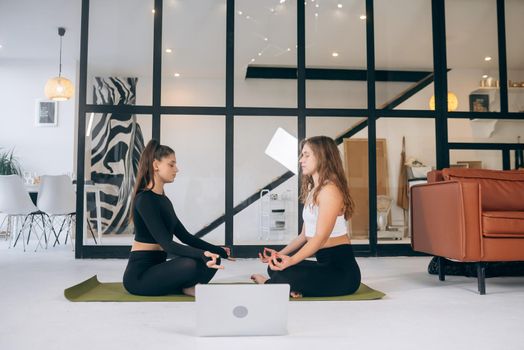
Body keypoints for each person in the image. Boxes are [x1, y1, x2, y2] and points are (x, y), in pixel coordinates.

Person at [251, 136, 361, 298]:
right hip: (324, 265)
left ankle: (270, 285)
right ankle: (294, 287)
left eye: (306, 155)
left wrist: (292, 260)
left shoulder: (330, 191)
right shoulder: (314, 190)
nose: (301, 160)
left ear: (322, 157)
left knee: (283, 274)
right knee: (274, 266)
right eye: (302, 155)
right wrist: (279, 255)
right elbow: (304, 236)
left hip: (341, 274)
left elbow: (320, 237)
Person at [123, 140, 230, 296]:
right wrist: (201, 254)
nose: (176, 169)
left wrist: (218, 251)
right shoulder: (144, 200)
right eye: (171, 164)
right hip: (139, 277)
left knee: (214, 259)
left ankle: (187, 287)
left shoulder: (164, 200)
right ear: (156, 165)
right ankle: (187, 286)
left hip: (157, 270)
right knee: (191, 263)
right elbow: (167, 245)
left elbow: (185, 236)